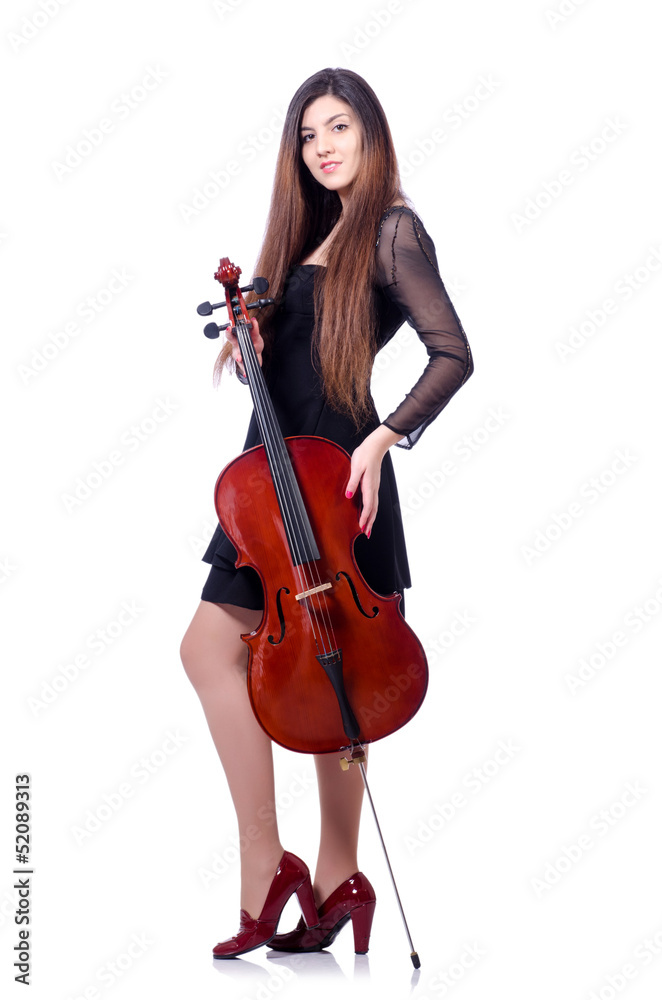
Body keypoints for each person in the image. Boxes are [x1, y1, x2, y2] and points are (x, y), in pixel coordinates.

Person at [180, 67, 473, 959]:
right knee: (216, 653)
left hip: (340, 479)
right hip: (271, 485)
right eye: (309, 135)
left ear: (370, 132)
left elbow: (453, 353)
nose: (323, 146)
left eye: (339, 126)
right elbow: (295, 363)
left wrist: (381, 441)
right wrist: (254, 346)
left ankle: (332, 870)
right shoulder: (306, 233)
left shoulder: (392, 230)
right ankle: (284, 865)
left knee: (334, 680)